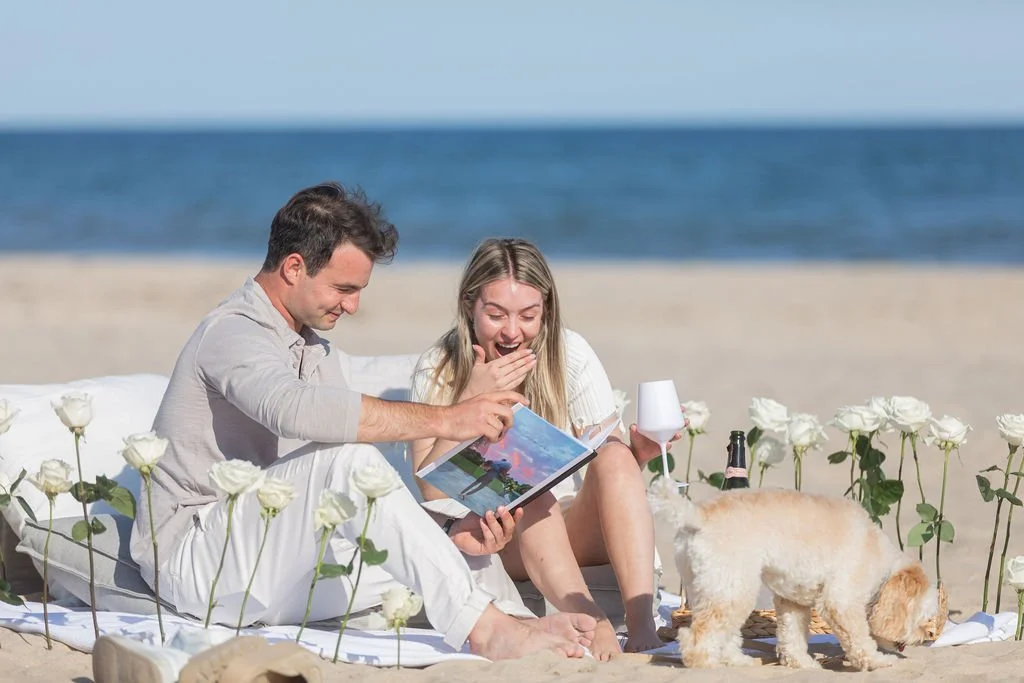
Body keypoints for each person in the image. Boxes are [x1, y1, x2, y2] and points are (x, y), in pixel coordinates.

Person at [126, 183, 598, 665]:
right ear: (293, 267)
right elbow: (292, 409)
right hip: (196, 561)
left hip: (271, 560)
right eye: (344, 289)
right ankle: (487, 630)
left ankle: (515, 621)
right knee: (348, 459)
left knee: (451, 545)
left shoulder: (311, 347)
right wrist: (450, 419)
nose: (352, 306)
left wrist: (450, 532)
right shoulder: (232, 331)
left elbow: (338, 497)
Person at [410, 238, 677, 660]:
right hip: (503, 534)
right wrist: (471, 402)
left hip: (572, 525)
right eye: (496, 315)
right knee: (529, 490)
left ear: (546, 310)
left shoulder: (569, 355)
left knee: (615, 454)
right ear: (469, 307)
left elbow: (606, 462)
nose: (513, 332)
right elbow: (431, 492)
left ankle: (642, 621)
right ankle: (594, 621)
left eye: (528, 316)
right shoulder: (438, 366)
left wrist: (637, 454)